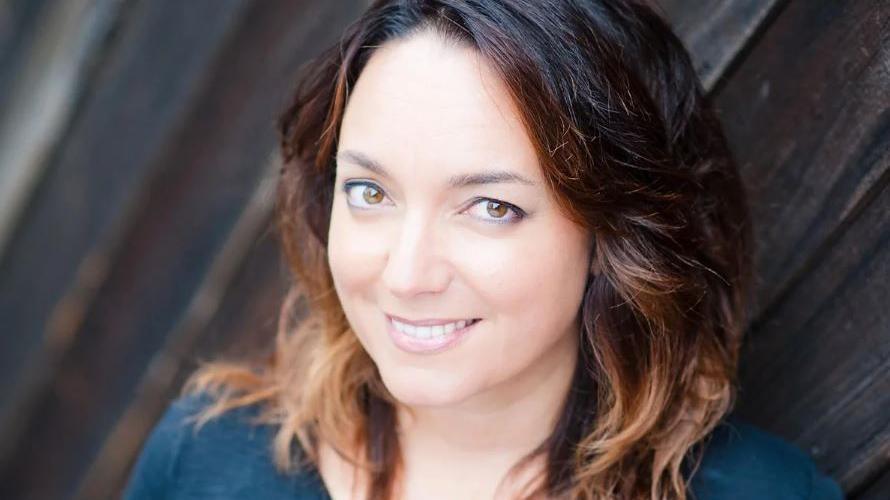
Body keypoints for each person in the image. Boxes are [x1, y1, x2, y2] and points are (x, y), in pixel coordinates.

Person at [123, 1, 844, 498]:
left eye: (490, 208)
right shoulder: (204, 461)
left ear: (613, 235)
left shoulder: (762, 494)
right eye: (370, 192)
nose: (406, 275)